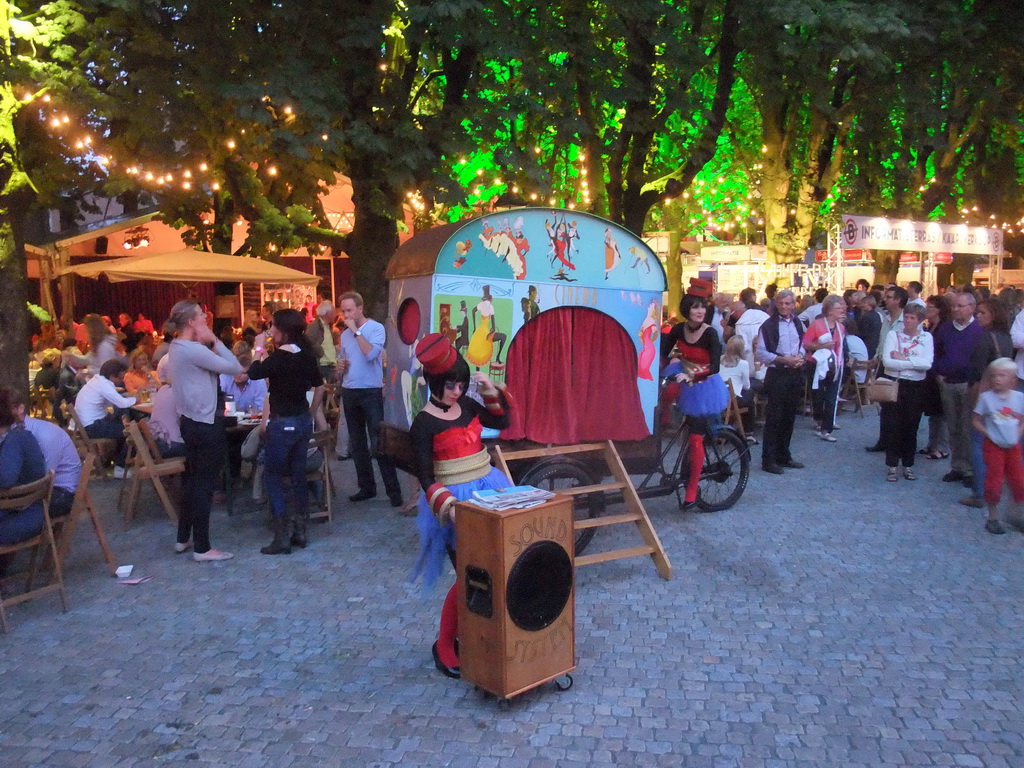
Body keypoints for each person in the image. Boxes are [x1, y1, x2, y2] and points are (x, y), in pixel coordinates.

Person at [407, 333, 513, 678]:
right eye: (451, 385)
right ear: (436, 383)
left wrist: (487, 391)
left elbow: (501, 423)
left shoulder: (467, 405)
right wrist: (449, 507)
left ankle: (479, 634)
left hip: (489, 489)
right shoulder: (423, 424)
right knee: (469, 575)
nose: (456, 391)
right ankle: (443, 644)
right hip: (455, 504)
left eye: (461, 384)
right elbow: (424, 476)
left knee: (496, 567)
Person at [165, 299, 242, 562]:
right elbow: (234, 367)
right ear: (190, 322)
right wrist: (215, 341)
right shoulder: (191, 350)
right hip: (205, 422)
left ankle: (182, 537)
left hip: (190, 421)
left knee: (193, 481)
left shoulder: (176, 348)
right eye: (201, 315)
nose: (206, 317)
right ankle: (202, 547)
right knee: (204, 485)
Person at [248, 309, 326, 555]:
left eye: (272, 327)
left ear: (283, 330)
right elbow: (319, 384)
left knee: (272, 476)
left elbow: (254, 373)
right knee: (297, 475)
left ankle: (281, 536)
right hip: (302, 420)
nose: (270, 331)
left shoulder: (279, 357)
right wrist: (312, 413)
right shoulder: (306, 354)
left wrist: (258, 349)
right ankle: (300, 531)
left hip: (282, 423)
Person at [660, 293, 730, 508]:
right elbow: (664, 351)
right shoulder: (679, 329)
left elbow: (715, 367)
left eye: (702, 308)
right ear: (686, 310)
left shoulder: (710, 333)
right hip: (684, 372)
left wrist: (692, 376)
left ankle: (692, 488)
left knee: (695, 438)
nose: (700, 311)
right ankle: (665, 421)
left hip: (704, 383)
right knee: (665, 394)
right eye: (695, 307)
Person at [337, 291, 402, 507]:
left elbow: (371, 354)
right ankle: (366, 487)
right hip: (350, 389)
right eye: (343, 310)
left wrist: (356, 332)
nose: (345, 314)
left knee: (378, 441)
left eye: (349, 310)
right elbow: (344, 361)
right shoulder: (344, 335)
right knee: (357, 442)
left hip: (371, 391)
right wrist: (340, 368)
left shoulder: (376, 329)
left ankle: (393, 491)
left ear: (360, 309)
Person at [960, 298, 1016, 507]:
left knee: (977, 442)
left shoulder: (985, 338)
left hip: (985, 396)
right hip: (1002, 397)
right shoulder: (1006, 338)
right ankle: (993, 488)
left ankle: (980, 492)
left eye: (982, 312)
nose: (978, 316)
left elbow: (978, 370)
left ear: (994, 314)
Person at [877, 304, 933, 481]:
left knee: (911, 426)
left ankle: (908, 464)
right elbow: (888, 362)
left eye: (912, 318)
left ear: (919, 320)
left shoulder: (927, 338)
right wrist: (914, 363)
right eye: (906, 317)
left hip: (916, 386)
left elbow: (927, 364)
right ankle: (892, 464)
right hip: (896, 383)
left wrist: (904, 359)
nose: (908, 321)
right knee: (893, 425)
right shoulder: (894, 335)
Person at [934, 291, 984, 486]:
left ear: (971, 307)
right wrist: (937, 373)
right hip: (947, 382)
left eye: (960, 306)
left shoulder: (979, 329)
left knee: (967, 427)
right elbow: (937, 351)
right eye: (954, 306)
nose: (955, 309)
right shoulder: (946, 328)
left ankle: (971, 470)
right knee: (953, 426)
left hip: (969, 385)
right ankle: (957, 466)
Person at [756, 289, 807, 474]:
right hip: (777, 374)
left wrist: (800, 357)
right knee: (774, 418)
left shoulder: (798, 323)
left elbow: (803, 344)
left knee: (789, 416)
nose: (784, 307)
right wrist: (783, 359)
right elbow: (761, 352)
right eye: (781, 303)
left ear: (794, 305)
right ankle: (768, 460)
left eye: (788, 303)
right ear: (776, 304)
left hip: (794, 373)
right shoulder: (768, 325)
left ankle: (784, 455)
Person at [972, 358, 1024, 535]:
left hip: (1013, 446)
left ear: (1012, 379)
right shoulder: (986, 399)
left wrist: (1018, 433)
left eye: (1002, 375)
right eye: (993, 376)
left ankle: (1015, 514)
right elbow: (976, 420)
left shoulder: (1019, 398)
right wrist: (989, 434)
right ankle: (993, 518)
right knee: (994, 481)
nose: (997, 379)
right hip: (994, 446)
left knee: (1018, 480)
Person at [10, 389, 80, 519]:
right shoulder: (11, 434)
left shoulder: (46, 434)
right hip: (36, 488)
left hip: (61, 493)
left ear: (20, 409)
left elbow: (44, 479)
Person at [0, 388, 47, 546]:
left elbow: (5, 480)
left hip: (23, 516)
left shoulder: (16, 440)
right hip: (24, 511)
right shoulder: (18, 434)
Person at [75, 358, 136, 469]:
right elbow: (122, 403)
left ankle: (113, 457)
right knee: (132, 431)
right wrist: (137, 398)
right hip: (92, 427)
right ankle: (120, 465)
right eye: (121, 378)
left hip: (86, 424)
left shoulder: (97, 380)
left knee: (123, 421)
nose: (122, 380)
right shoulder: (105, 385)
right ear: (112, 376)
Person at [802, 295, 847, 442]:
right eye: (838, 308)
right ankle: (819, 418)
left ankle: (826, 428)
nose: (842, 310)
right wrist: (822, 346)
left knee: (831, 396)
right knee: (818, 394)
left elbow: (840, 347)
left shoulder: (841, 327)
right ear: (829, 311)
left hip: (835, 365)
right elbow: (806, 344)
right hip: (817, 364)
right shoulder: (816, 324)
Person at [920, 294, 951, 461]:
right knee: (933, 412)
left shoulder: (945, 328)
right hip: (930, 374)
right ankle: (932, 443)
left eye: (930, 307)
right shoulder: (930, 326)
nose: (927, 310)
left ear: (939, 310)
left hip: (939, 373)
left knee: (942, 412)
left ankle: (943, 446)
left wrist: (940, 371)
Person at [719, 335, 756, 440]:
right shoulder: (743, 363)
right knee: (750, 394)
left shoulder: (719, 359)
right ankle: (748, 432)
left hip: (718, 396)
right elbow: (746, 385)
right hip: (731, 400)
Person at [147, 365, 186, 460]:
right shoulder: (180, 392)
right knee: (205, 447)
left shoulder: (162, 390)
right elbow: (188, 418)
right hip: (172, 445)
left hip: (158, 442)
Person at [305, 300, 339, 384]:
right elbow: (309, 342)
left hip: (329, 365)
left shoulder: (327, 326)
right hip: (322, 366)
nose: (335, 314)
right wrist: (320, 352)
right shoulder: (314, 326)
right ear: (328, 313)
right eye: (333, 311)